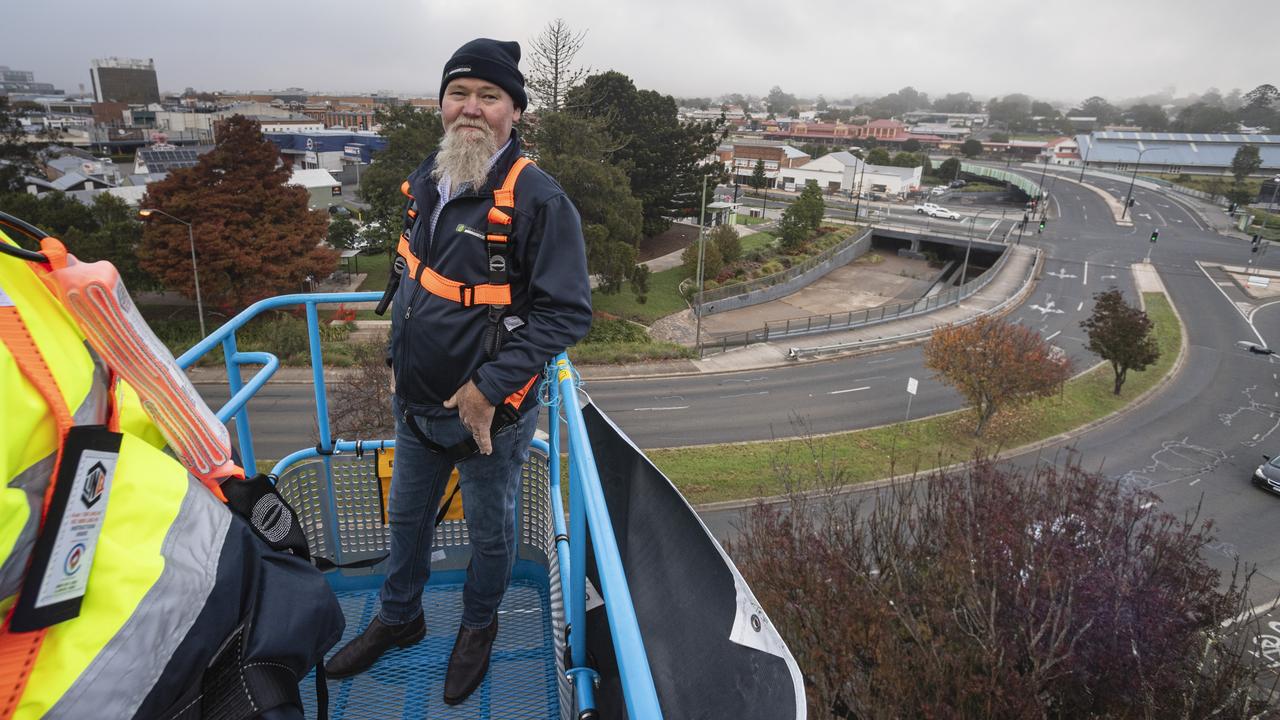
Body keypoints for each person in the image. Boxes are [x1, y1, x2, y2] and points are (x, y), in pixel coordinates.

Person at [324, 38, 592, 705]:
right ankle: (399, 616)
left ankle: (478, 626)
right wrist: (396, 358)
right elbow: (416, 278)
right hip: (415, 403)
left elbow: (566, 315)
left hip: (487, 418)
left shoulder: (538, 201)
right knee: (407, 521)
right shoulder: (429, 177)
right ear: (442, 104)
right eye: (458, 94)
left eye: (489, 96)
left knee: (491, 533)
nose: (470, 109)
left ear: (514, 113)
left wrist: (488, 390)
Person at [0, 225, 343, 719]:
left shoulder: (24, 262)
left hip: (227, 615)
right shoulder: (27, 265)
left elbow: (122, 406)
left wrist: (222, 477)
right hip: (128, 687)